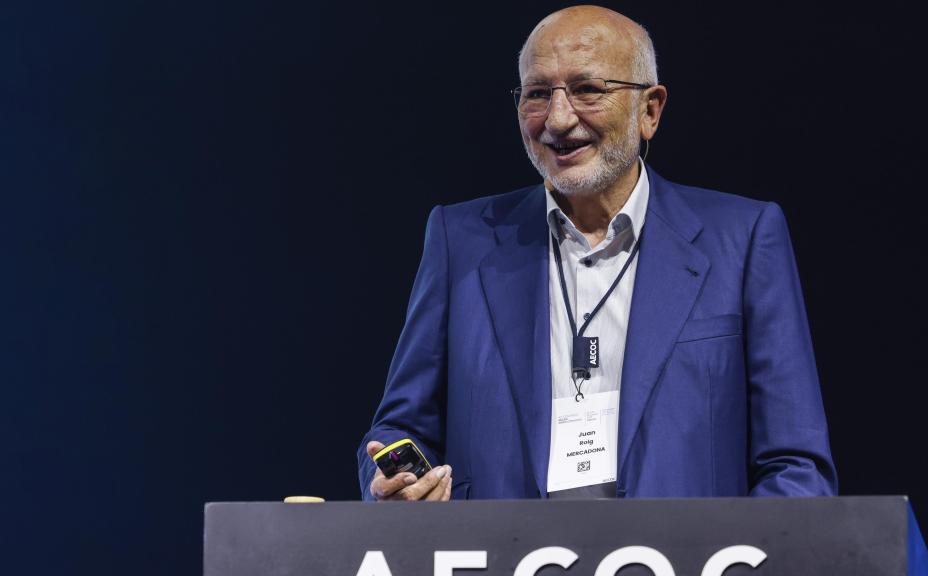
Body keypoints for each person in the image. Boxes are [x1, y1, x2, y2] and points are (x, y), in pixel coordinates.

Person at [357, 5, 837, 501]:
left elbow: (796, 466)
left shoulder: (743, 237)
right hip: (504, 557)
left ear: (650, 110)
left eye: (588, 90)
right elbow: (398, 427)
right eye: (538, 94)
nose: (559, 120)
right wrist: (396, 484)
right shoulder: (460, 239)